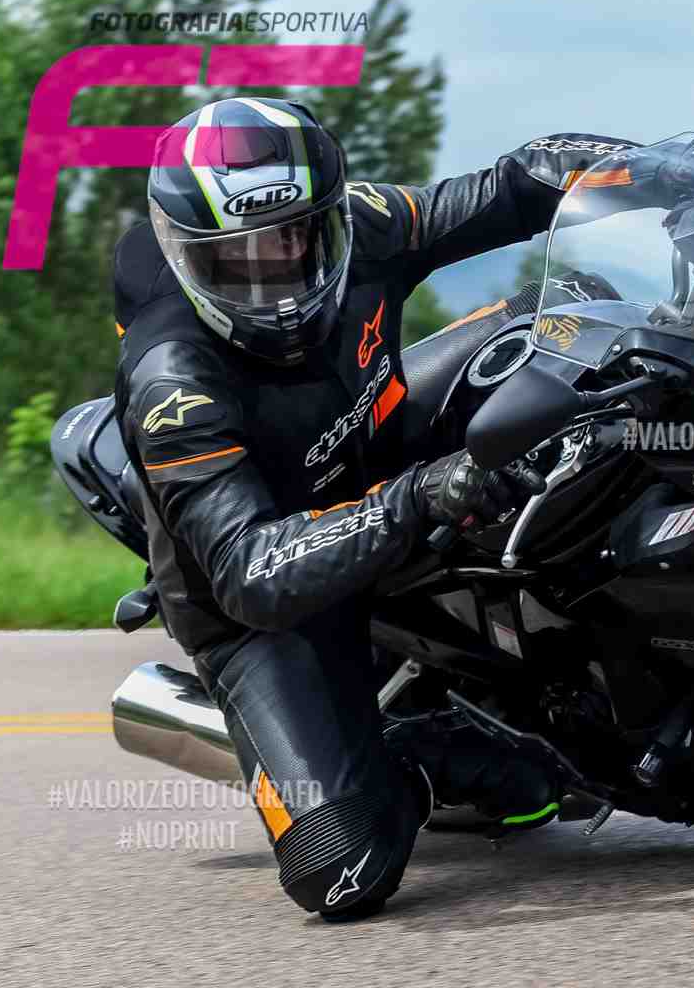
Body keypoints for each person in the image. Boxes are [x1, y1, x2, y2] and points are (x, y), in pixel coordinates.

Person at [112, 95, 637, 920]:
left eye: (295, 237)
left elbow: (509, 187)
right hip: (263, 603)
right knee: (341, 870)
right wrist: (419, 497)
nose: (276, 276)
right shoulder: (172, 380)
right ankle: (423, 753)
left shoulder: (364, 222)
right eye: (237, 259)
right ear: (185, 256)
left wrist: (648, 175)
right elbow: (251, 574)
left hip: (374, 454)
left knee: (578, 346)